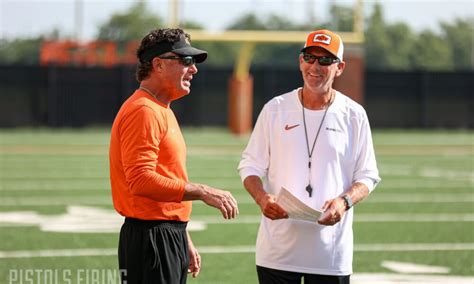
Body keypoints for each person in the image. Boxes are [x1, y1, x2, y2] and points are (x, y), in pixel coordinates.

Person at [238, 29, 381, 284]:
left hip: (330, 254)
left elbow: (368, 175)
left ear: (340, 67)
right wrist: (261, 198)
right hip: (277, 251)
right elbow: (250, 165)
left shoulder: (354, 115)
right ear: (300, 61)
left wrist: (343, 202)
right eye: (310, 57)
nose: (315, 66)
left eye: (325, 60)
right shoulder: (275, 109)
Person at [109, 28, 239, 284]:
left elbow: (166, 177)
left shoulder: (160, 108)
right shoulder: (144, 110)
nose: (193, 69)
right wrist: (202, 191)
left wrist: (182, 236)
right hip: (151, 239)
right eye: (185, 61)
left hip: (165, 235)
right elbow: (141, 180)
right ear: (158, 64)